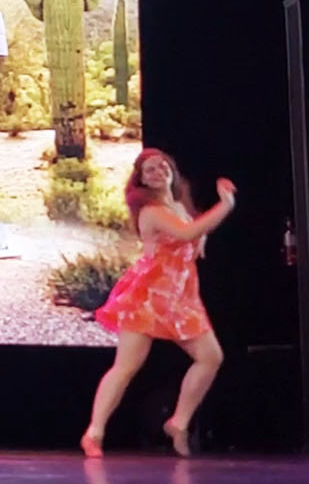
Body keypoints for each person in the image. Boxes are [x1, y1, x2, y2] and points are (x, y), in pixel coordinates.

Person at [81, 148, 236, 458]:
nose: (157, 171)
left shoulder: (178, 206)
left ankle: (178, 422)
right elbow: (189, 231)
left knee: (210, 357)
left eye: (162, 166)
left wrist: (201, 240)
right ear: (141, 180)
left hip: (180, 295)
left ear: (172, 171)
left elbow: (193, 233)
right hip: (149, 296)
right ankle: (94, 432)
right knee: (126, 367)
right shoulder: (151, 211)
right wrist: (226, 205)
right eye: (149, 169)